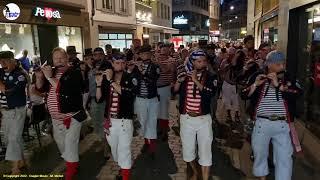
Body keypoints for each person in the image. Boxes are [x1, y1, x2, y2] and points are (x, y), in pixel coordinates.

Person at [241, 51, 303, 180]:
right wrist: (254, 85)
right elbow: (244, 93)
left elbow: (297, 93)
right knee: (260, 155)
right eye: (278, 64)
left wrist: (278, 85)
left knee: (284, 157)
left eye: (283, 63)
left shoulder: (289, 78)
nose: (282, 67)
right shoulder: (259, 76)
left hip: (282, 124)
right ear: (269, 65)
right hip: (261, 124)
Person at [41, 47, 87, 180]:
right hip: (56, 118)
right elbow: (40, 89)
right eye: (56, 58)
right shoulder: (52, 72)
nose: (59, 60)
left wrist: (49, 77)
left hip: (72, 116)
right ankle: (73, 162)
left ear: (67, 58)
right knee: (61, 143)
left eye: (61, 57)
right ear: (53, 60)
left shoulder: (75, 72)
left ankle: (71, 171)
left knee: (70, 143)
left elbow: (65, 90)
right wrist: (40, 77)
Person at [173, 50, 218, 180]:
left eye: (204, 61)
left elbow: (209, 94)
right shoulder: (185, 76)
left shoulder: (210, 76)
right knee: (187, 151)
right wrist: (179, 81)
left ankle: (204, 177)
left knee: (205, 151)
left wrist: (196, 81)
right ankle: (196, 172)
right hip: (186, 119)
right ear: (192, 62)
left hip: (203, 119)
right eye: (199, 61)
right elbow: (174, 91)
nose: (202, 63)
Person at [95, 53, 138, 180]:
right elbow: (99, 99)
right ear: (112, 64)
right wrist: (98, 84)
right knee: (115, 150)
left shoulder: (131, 78)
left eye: (122, 62)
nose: (120, 65)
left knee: (124, 150)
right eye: (117, 63)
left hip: (125, 121)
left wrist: (111, 81)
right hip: (110, 121)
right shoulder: (107, 79)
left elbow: (128, 96)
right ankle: (124, 167)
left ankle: (125, 174)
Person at [0, 51, 28, 174]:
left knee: (13, 138)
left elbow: (12, 91)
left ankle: (15, 168)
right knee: (8, 138)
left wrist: (1, 85)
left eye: (5, 60)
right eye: (1, 61)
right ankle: (21, 160)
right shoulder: (0, 73)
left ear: (12, 60)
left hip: (17, 110)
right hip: (5, 112)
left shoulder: (20, 74)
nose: (2, 63)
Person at [134, 44, 160, 155]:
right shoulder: (135, 66)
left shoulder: (155, 66)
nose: (145, 55)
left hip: (152, 98)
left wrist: (142, 72)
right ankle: (146, 142)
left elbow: (153, 80)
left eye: (147, 53)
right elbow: (133, 82)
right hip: (140, 98)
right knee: (142, 122)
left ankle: (152, 147)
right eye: (143, 53)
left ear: (150, 54)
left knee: (152, 122)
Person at [88, 47, 112, 158]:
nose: (97, 56)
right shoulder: (92, 66)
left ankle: (107, 147)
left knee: (104, 123)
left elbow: (109, 82)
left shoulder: (107, 66)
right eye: (95, 54)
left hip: (103, 99)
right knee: (97, 123)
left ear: (103, 55)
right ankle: (104, 144)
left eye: (99, 54)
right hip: (93, 98)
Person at [155, 43, 177, 141]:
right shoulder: (156, 59)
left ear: (169, 50)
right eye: (162, 50)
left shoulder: (171, 60)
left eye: (165, 50)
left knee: (164, 111)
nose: (163, 52)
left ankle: (164, 132)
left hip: (165, 88)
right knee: (156, 110)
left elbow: (167, 70)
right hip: (154, 88)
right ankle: (159, 128)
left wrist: (157, 62)